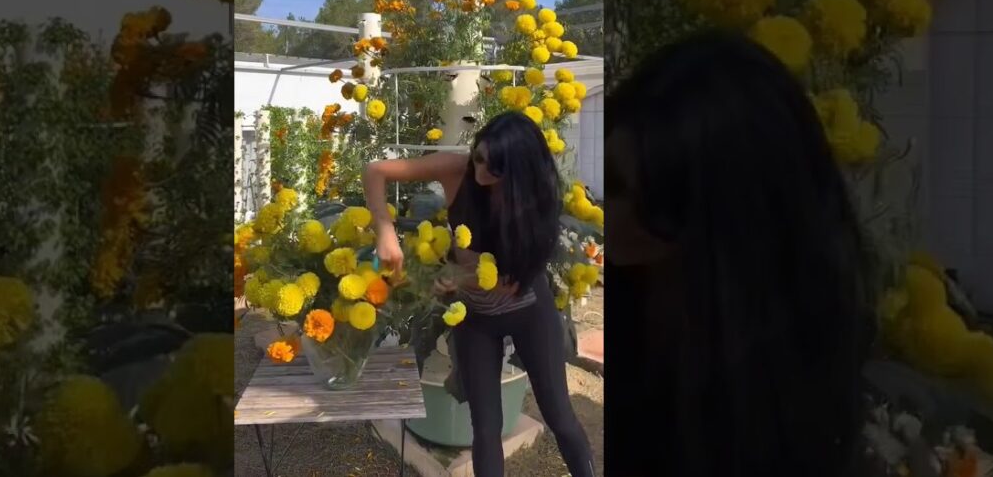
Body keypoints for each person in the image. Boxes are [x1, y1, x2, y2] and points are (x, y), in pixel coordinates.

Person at [607, 29, 876, 477]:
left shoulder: (776, 386)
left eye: (623, 190)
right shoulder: (628, 298)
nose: (605, 215)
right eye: (610, 180)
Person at [363, 111, 595, 477]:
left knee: (559, 416)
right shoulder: (457, 170)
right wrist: (384, 228)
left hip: (528, 310)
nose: (481, 171)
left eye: (495, 169)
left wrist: (458, 278)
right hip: (477, 319)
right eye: (479, 157)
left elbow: (511, 281)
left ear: (519, 174)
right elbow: (376, 170)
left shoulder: (536, 205)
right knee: (485, 429)